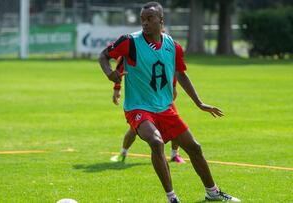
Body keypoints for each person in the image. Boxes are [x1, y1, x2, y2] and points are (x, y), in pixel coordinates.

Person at [98, 2, 241, 202]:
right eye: (142, 19)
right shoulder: (129, 41)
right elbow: (104, 56)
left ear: (161, 21)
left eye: (149, 19)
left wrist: (199, 103)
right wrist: (109, 74)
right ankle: (172, 197)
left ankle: (213, 192)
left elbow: (181, 74)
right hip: (138, 107)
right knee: (156, 142)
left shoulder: (172, 45)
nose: (145, 23)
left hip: (164, 108)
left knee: (195, 148)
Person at [110, 56, 185, 164]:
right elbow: (121, 66)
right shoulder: (134, 45)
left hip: (162, 96)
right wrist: (117, 88)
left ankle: (175, 155)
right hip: (142, 98)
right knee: (134, 129)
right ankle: (123, 153)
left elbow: (171, 67)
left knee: (175, 124)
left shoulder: (165, 45)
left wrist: (173, 86)